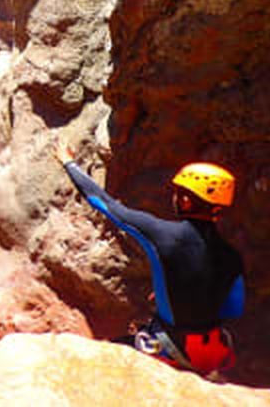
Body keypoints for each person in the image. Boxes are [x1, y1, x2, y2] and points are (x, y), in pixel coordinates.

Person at [55, 141, 244, 376]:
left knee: (105, 360)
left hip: (176, 350)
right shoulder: (232, 257)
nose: (174, 198)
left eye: (178, 194)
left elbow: (103, 203)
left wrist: (68, 163)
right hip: (213, 353)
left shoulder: (162, 235)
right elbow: (232, 309)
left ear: (185, 201)